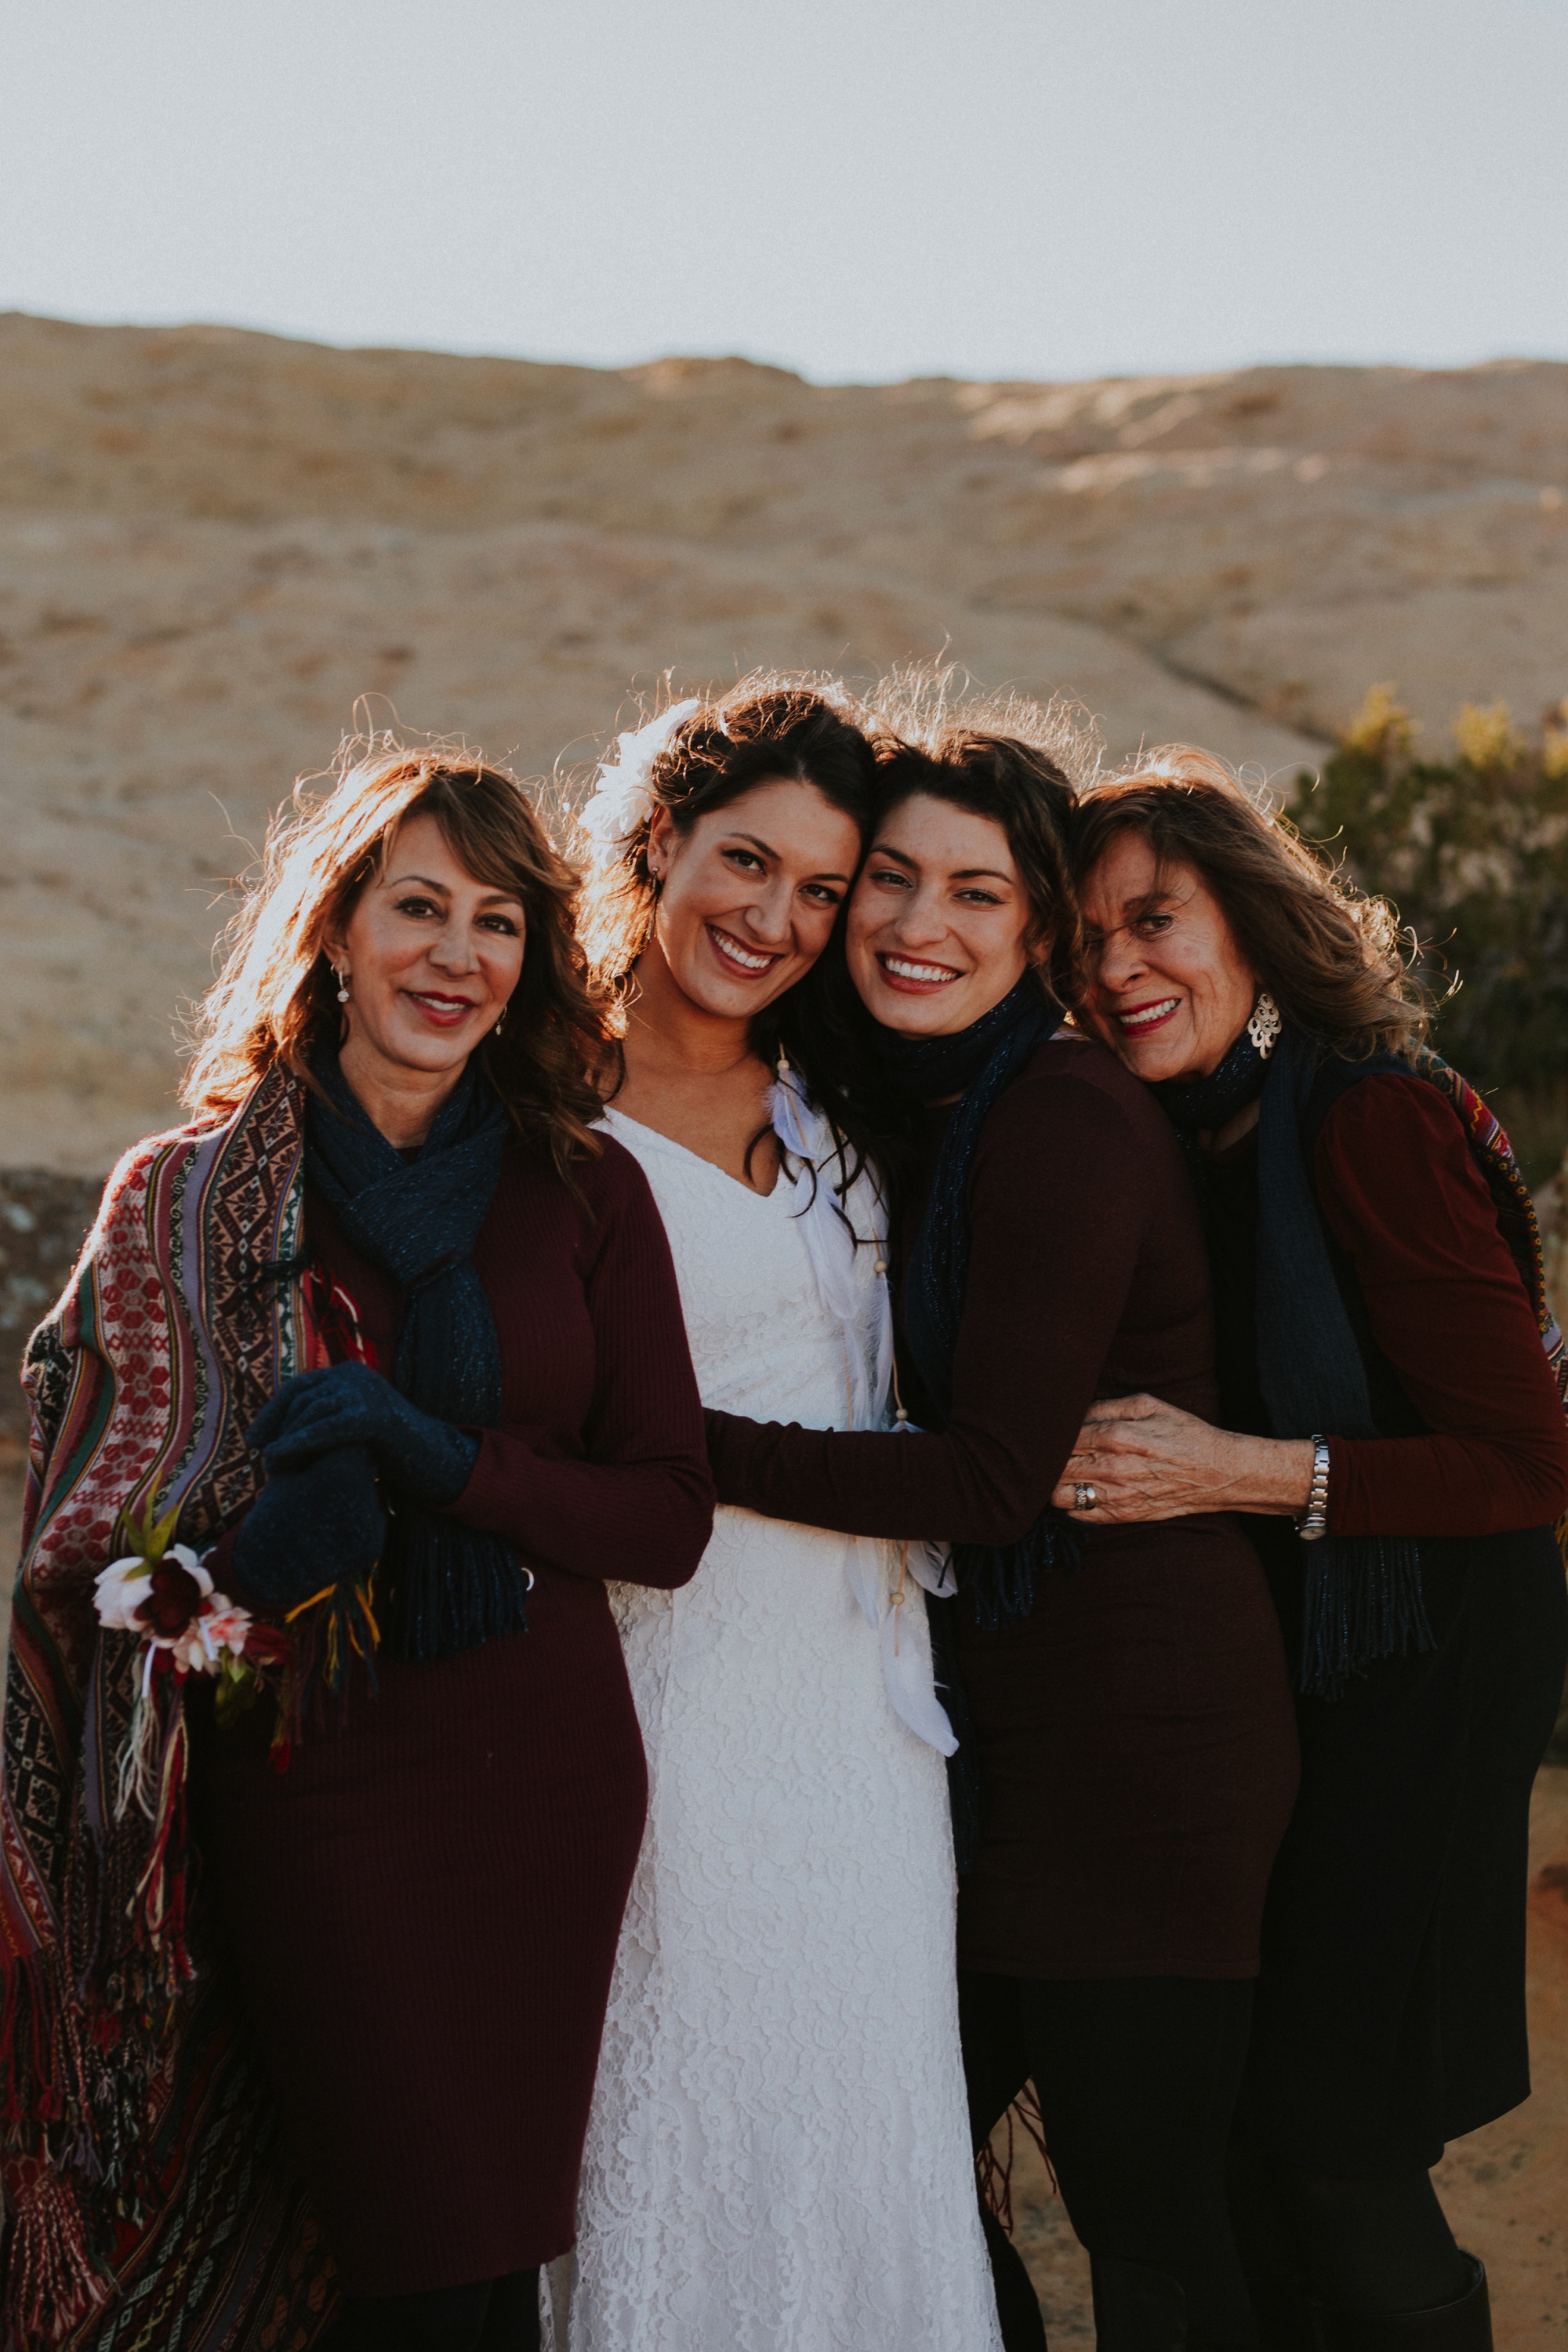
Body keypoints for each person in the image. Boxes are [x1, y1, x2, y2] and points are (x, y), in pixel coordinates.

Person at [0, 741, 713, 2352]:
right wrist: (253, 1560)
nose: (455, 957)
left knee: (480, 2268)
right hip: (313, 1794)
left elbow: (665, 1515)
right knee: (403, 2255)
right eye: (417, 908)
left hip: (542, 1777)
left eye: (497, 921)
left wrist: (439, 1461)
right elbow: (88, 1559)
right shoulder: (183, 1200)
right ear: (332, 930)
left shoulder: (584, 1195)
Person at [702, 684, 1301, 2352]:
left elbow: (982, 1478)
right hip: (1005, 1749)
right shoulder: (929, 1115)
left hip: (1146, 1753)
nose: (914, 923)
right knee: (903, 2165)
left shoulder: (1058, 1116)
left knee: (1149, 2217)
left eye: (975, 894)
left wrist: (673, 1447)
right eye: (888, 878)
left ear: (1037, 930)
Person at [1062, 751, 1568, 2352]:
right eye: (1082, 946)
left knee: (1333, 2136)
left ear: (1252, 918)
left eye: (1154, 919)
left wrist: (1239, 1473)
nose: (1119, 968)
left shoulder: (1364, 1118)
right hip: (1330, 1679)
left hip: (1430, 1669)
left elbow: (1524, 1456)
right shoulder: (1207, 1133)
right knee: (1270, 2126)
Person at [557, 680, 1004, 2352]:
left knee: (865, 2123)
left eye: (822, 891)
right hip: (669, 1692)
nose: (777, 919)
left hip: (873, 1721)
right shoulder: (547, 1107)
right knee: (679, 2095)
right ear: (659, 839)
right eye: (746, 862)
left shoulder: (839, 1097)